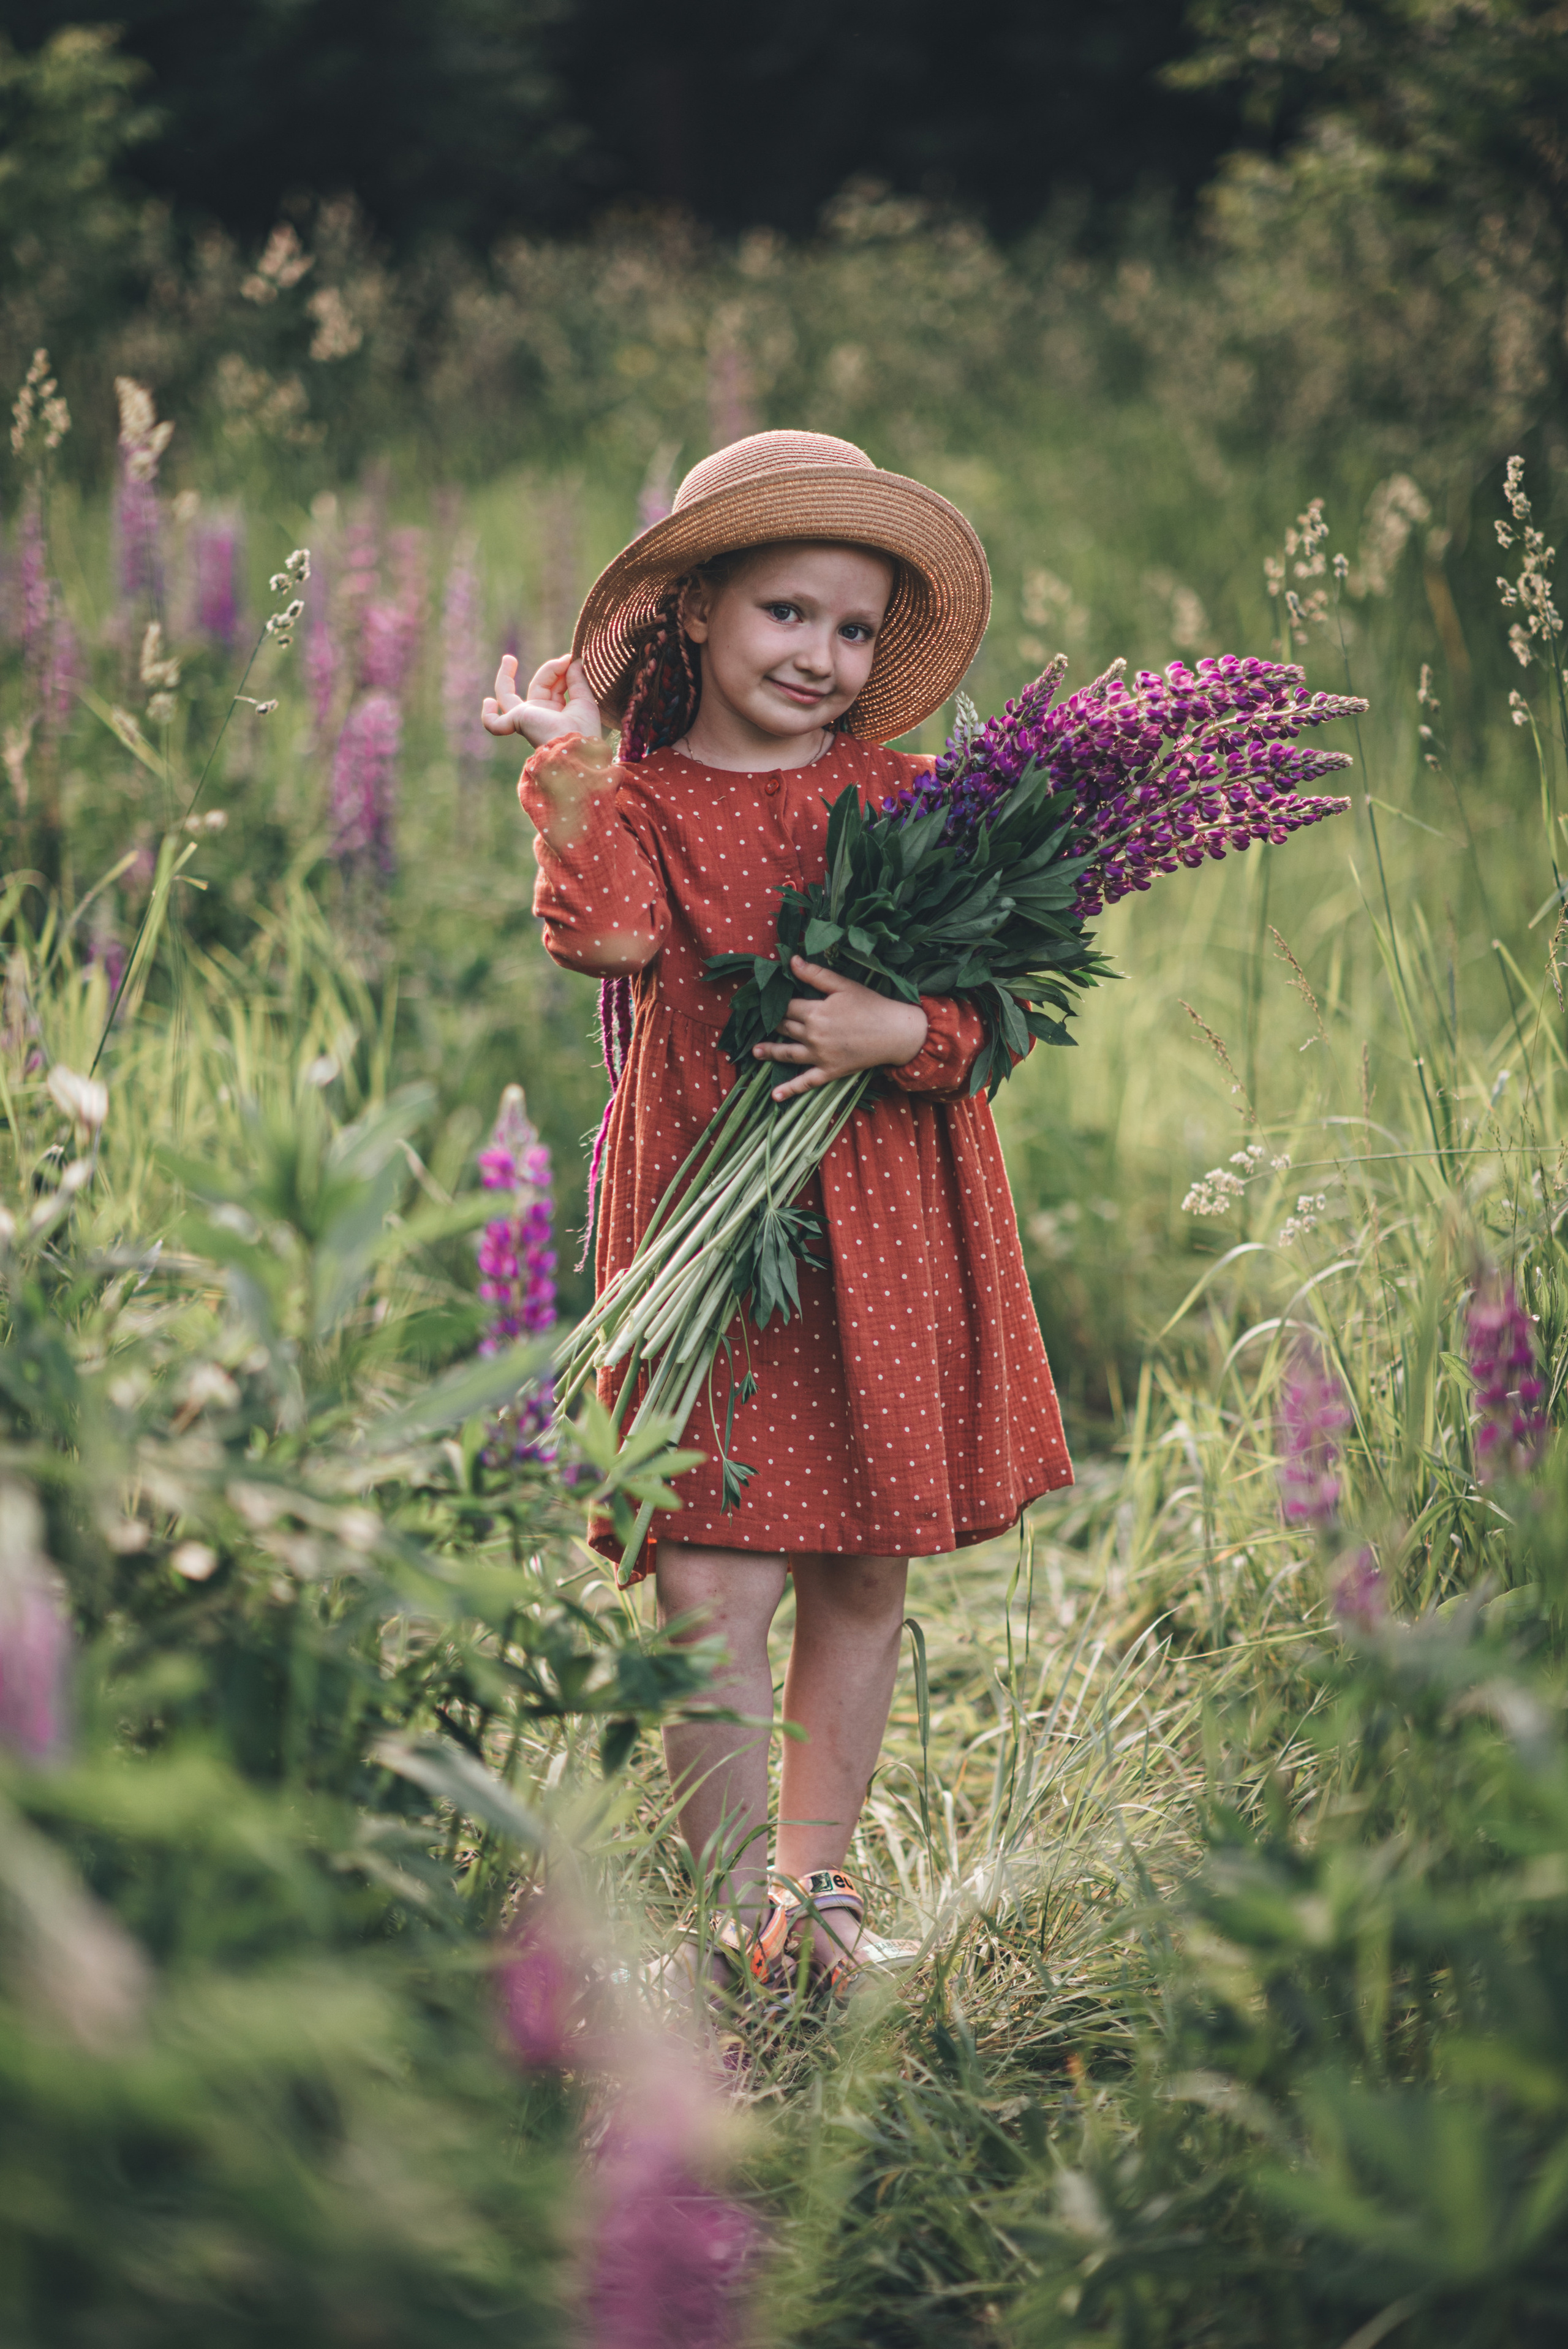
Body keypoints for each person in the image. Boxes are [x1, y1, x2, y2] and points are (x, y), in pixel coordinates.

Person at [483, 430, 1072, 2003]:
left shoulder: (911, 798)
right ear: (692, 616)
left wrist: (903, 1034)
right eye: (784, 615)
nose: (821, 655)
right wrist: (569, 769)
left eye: (855, 628)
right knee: (710, 1585)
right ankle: (730, 1914)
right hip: (708, 1233)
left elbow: (997, 1008)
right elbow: (604, 941)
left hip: (883, 1222)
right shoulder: (653, 803)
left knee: (860, 1571)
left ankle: (815, 1899)